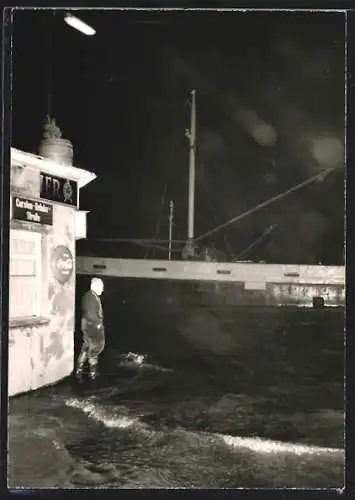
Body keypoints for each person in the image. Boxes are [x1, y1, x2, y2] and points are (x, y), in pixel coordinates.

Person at [75, 277, 105, 380]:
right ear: (95, 286)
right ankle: (93, 373)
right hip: (92, 326)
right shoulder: (92, 298)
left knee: (86, 345)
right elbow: (91, 314)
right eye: (101, 287)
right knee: (95, 348)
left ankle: (79, 369)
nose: (102, 289)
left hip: (86, 325)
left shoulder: (88, 296)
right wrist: (98, 324)